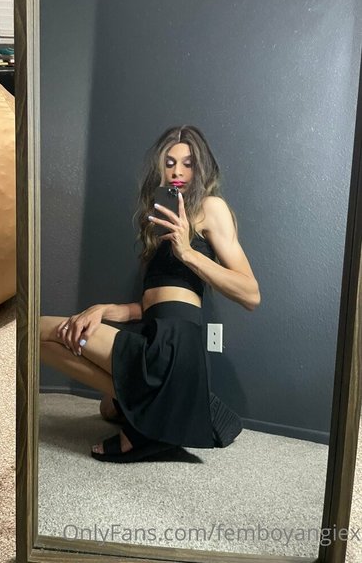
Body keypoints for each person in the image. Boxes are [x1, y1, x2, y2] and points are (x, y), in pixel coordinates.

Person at [40, 125, 261, 463]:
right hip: (151, 331)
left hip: (176, 342)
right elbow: (151, 303)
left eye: (187, 164)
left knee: (38, 329)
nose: (177, 171)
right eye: (169, 163)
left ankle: (160, 416)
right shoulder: (158, 224)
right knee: (108, 409)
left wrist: (188, 252)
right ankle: (177, 403)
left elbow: (251, 294)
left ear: (201, 169)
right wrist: (103, 310)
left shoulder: (211, 208)